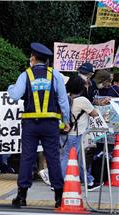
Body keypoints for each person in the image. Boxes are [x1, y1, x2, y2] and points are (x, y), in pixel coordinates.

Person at [8, 43, 70, 208]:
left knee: (27, 158)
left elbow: (14, 96)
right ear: (47, 61)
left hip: (30, 125)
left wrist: (10, 88)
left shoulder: (25, 75)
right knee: (53, 158)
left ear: (33, 58)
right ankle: (58, 197)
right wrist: (67, 121)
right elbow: (63, 101)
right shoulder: (55, 75)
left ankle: (21, 196)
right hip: (50, 125)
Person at [61, 76, 99, 190]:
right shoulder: (83, 100)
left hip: (64, 132)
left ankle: (88, 180)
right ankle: (59, 181)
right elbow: (94, 113)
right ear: (81, 88)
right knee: (69, 157)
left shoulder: (65, 98)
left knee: (70, 157)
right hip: (75, 133)